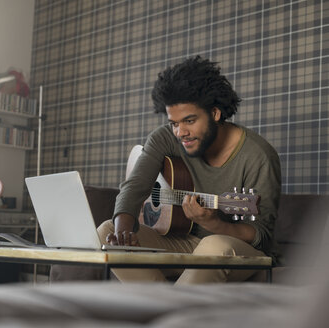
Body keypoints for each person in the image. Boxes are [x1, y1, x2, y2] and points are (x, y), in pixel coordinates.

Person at [97, 56, 281, 284]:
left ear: (215, 113)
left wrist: (215, 224)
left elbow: (261, 235)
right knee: (105, 231)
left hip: (231, 247)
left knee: (213, 245)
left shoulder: (258, 156)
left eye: (189, 121)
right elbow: (135, 187)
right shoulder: (165, 139)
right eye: (174, 123)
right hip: (180, 239)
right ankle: (164, 304)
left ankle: (163, 309)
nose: (180, 132)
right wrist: (123, 233)